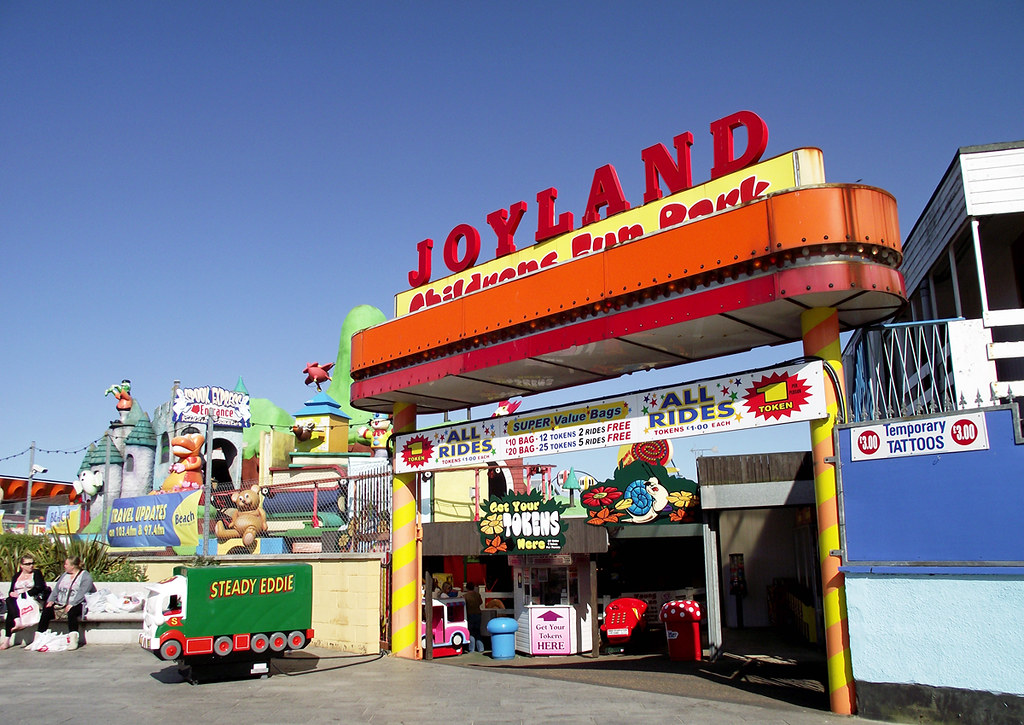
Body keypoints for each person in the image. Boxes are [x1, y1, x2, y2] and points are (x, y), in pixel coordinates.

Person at [34, 556, 93, 648]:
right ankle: (38, 638)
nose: (64, 566)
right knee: (47, 610)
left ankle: (73, 639)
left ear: (73, 566)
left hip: (78, 603)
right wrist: (51, 600)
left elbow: (82, 593)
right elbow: (56, 589)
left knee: (72, 612)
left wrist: (72, 604)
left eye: (66, 564)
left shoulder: (85, 577)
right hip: (61, 603)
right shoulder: (65, 575)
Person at [1, 555, 48, 650]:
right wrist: (12, 593)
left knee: (11, 608)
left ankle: (7, 639)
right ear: (21, 565)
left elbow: (40, 587)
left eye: (32, 563)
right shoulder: (16, 576)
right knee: (10, 600)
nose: (31, 566)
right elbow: (11, 590)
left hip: (32, 599)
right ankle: (16, 624)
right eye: (28, 564)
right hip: (18, 601)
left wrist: (24, 594)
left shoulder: (36, 573)